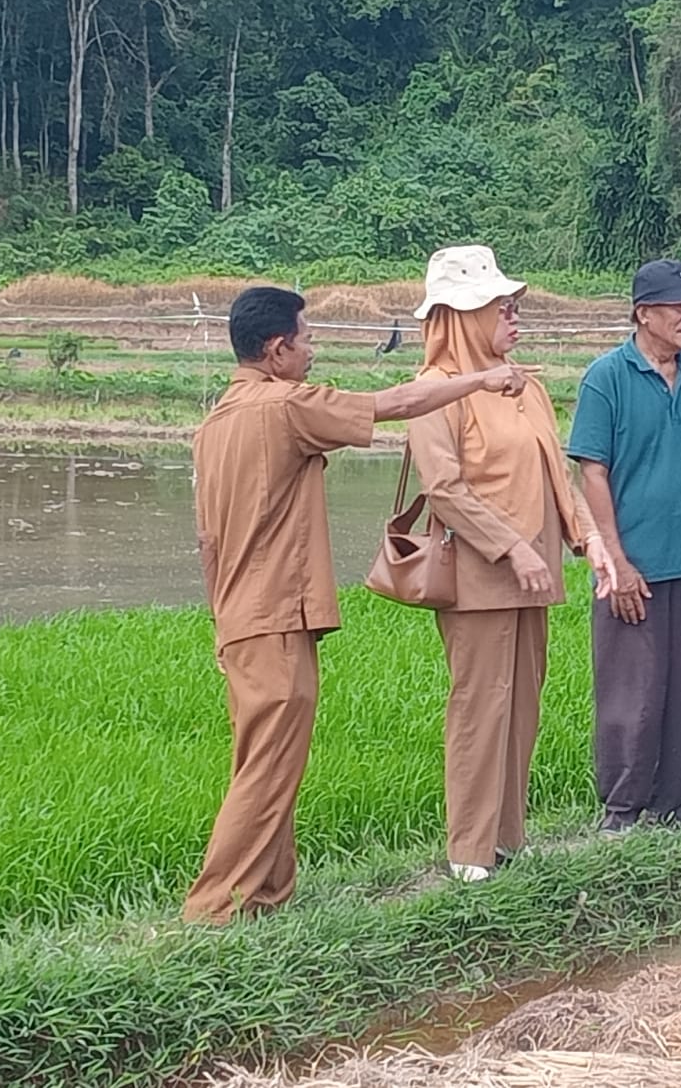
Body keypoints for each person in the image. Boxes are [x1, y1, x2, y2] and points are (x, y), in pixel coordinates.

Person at [185, 285, 529, 925]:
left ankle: (266, 898)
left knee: (269, 761)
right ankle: (213, 912)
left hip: (239, 618)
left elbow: (207, 542)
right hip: (277, 614)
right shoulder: (284, 406)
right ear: (277, 348)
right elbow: (397, 402)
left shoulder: (214, 423)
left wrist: (219, 625)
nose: (313, 351)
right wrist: (482, 379)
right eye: (308, 339)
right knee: (265, 771)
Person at [405, 245, 617, 882]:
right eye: (502, 307)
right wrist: (514, 547)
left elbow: (558, 477)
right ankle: (469, 853)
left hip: (536, 578)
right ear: (464, 317)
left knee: (523, 704)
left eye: (513, 305)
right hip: (481, 581)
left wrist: (590, 541)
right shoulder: (435, 393)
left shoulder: (525, 389)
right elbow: (445, 489)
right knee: (480, 707)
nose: (514, 317)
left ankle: (507, 840)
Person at [567, 258, 681, 832]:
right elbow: (593, 472)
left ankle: (677, 806)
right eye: (678, 307)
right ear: (644, 313)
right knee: (632, 695)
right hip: (635, 563)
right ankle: (621, 811)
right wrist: (616, 562)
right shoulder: (607, 377)